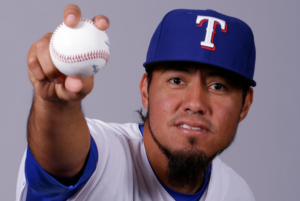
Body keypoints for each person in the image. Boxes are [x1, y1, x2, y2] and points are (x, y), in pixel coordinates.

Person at [16, 4, 256, 201]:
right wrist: (55, 104)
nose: (195, 103)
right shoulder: (104, 158)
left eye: (218, 86)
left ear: (245, 105)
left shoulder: (237, 192)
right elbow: (60, 161)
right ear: (146, 90)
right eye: (176, 80)